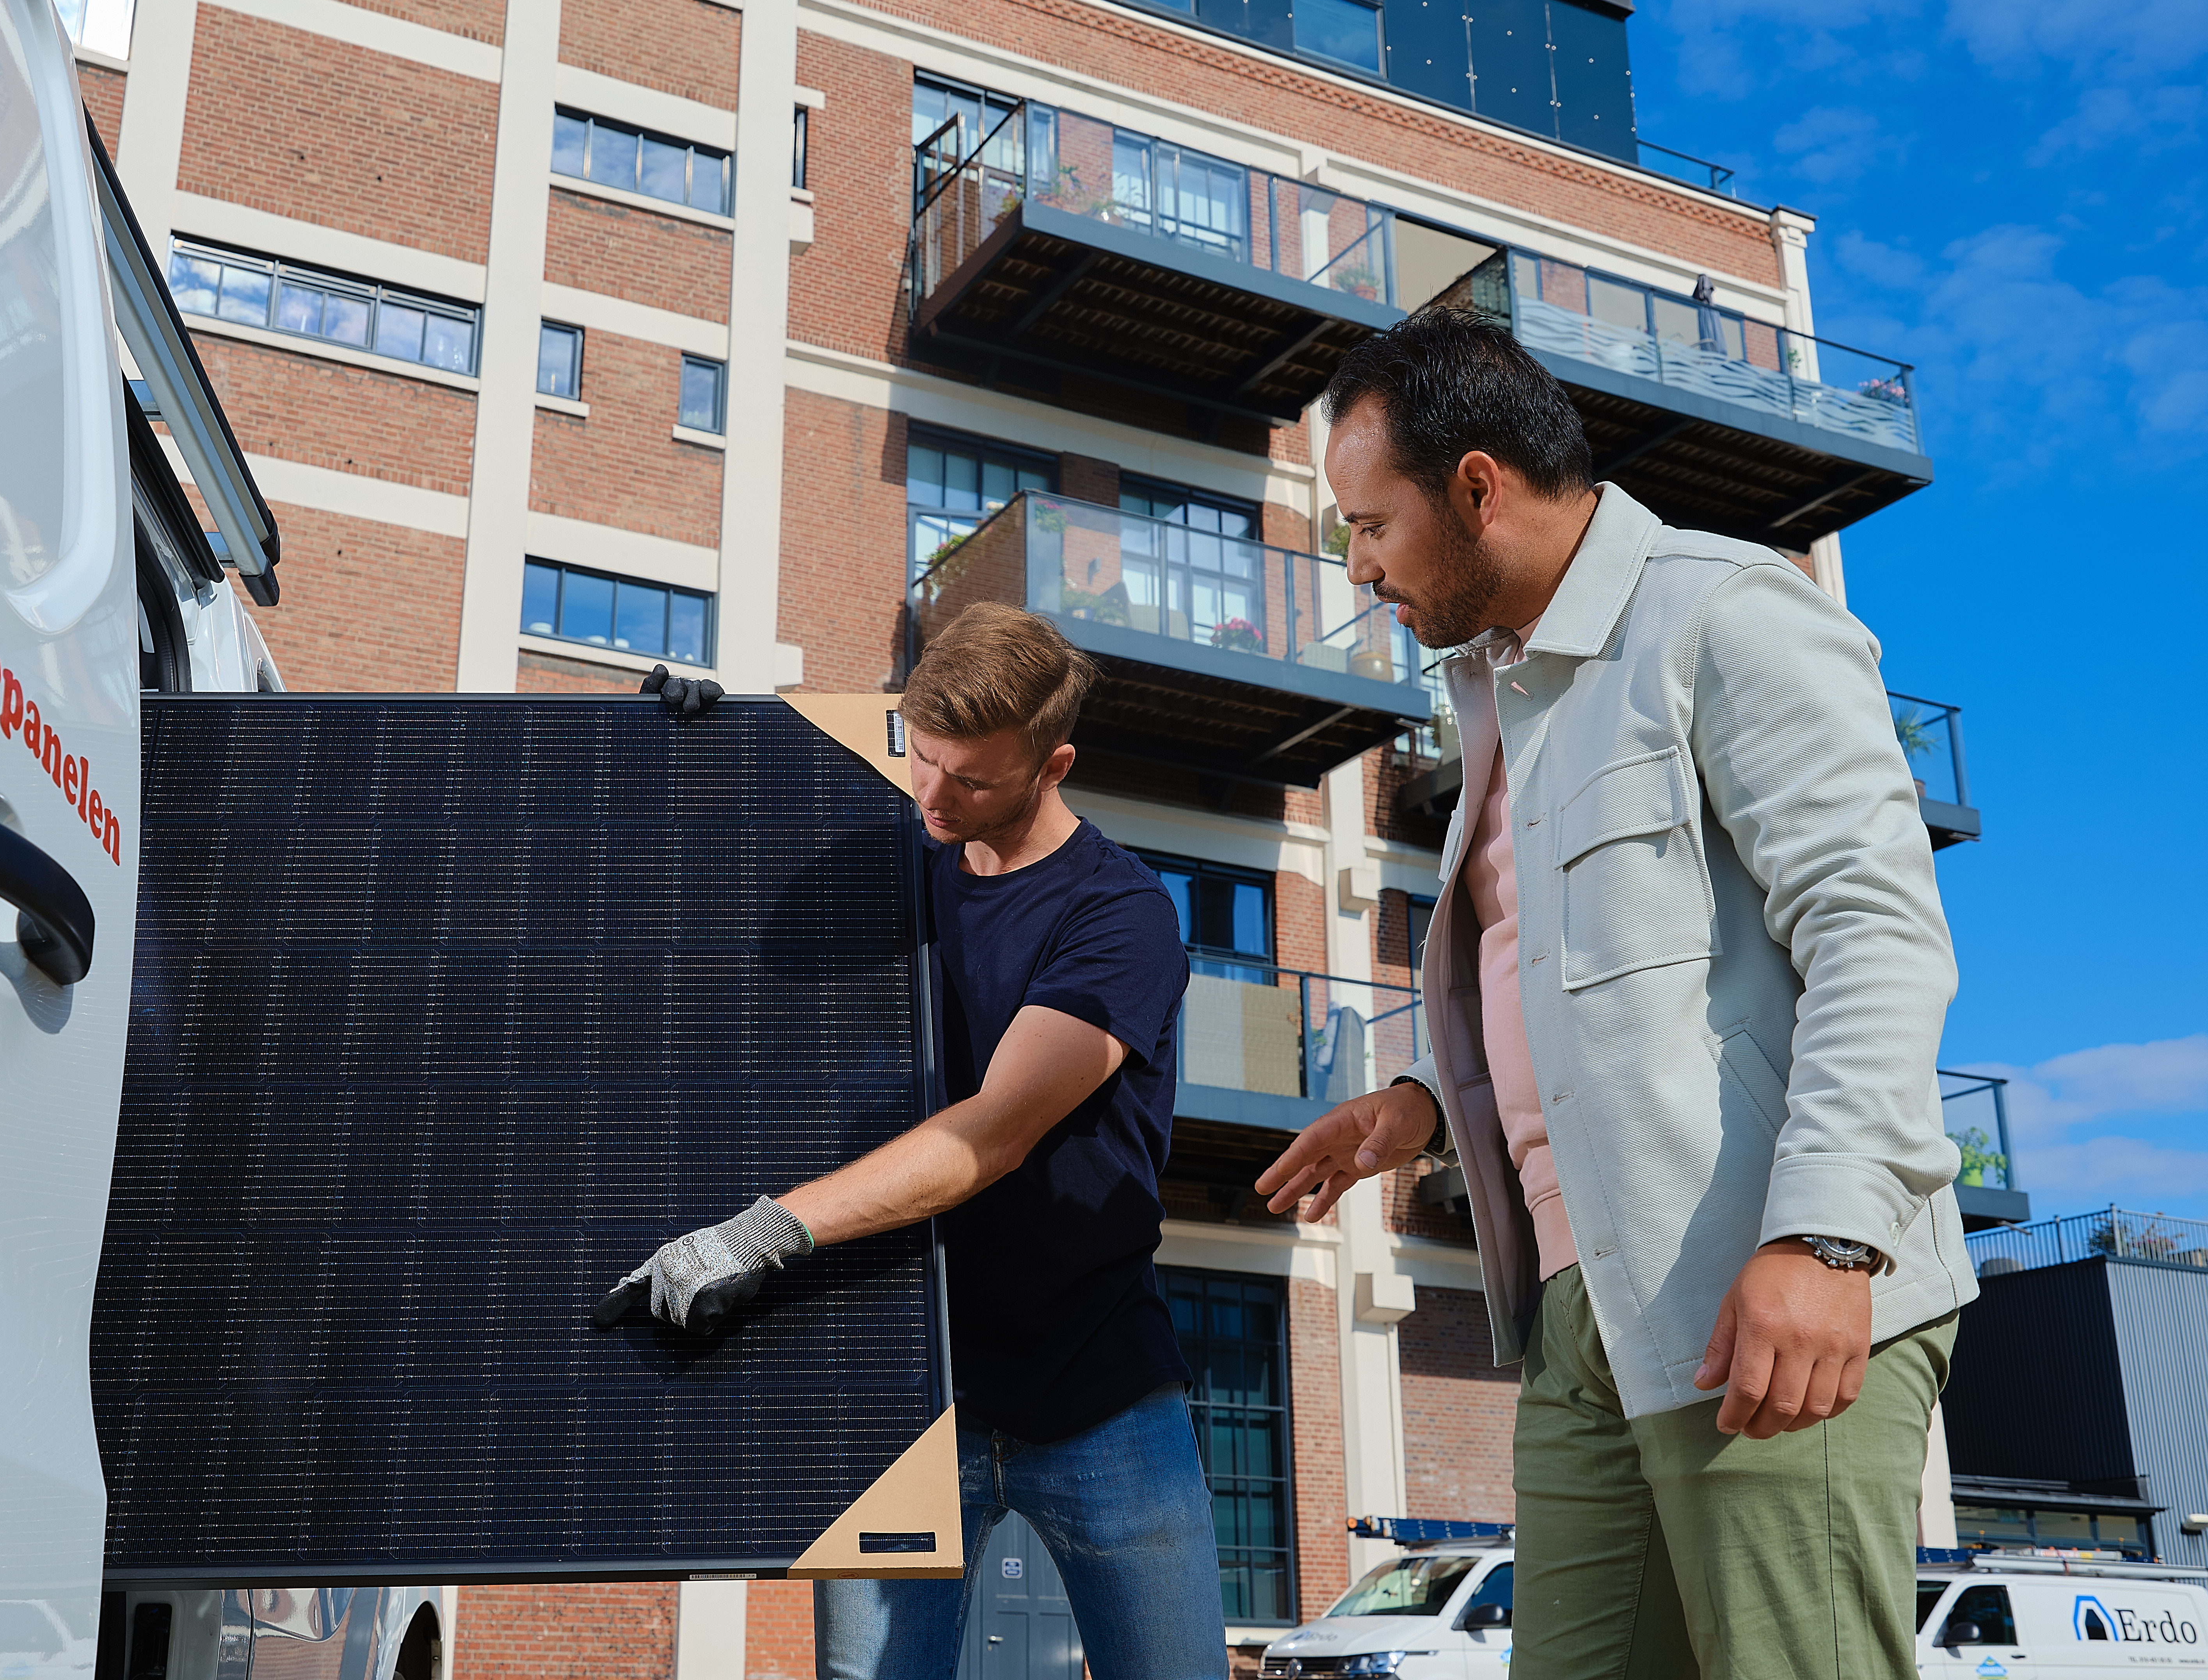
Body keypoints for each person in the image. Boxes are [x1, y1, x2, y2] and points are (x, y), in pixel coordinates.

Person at [1257, 307, 1976, 1680]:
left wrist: (1828, 1241)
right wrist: (1425, 1100)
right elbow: (1603, 969)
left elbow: (1877, 931)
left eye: (1372, 525)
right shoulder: (1498, 688)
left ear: (1478, 487)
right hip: (1582, 1312)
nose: (1357, 568)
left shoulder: (1723, 612)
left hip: (1760, 1291)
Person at [599, 604, 1225, 1680]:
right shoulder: (898, 852)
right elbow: (707, 926)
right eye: (920, 759)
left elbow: (993, 1133)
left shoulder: (1122, 917)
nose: (932, 800)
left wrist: (768, 1231)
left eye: (970, 781)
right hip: (901, 1402)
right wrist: (694, 770)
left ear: (1052, 764)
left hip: (1099, 1391)